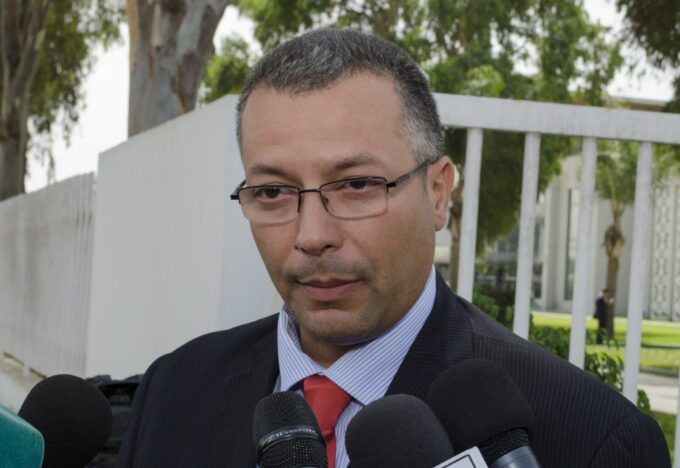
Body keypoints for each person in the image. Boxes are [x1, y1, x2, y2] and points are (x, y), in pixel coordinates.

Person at [118, 29, 670, 467]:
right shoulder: (173, 391)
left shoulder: (593, 439)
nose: (312, 235)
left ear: (438, 193)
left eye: (357, 185)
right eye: (272, 192)